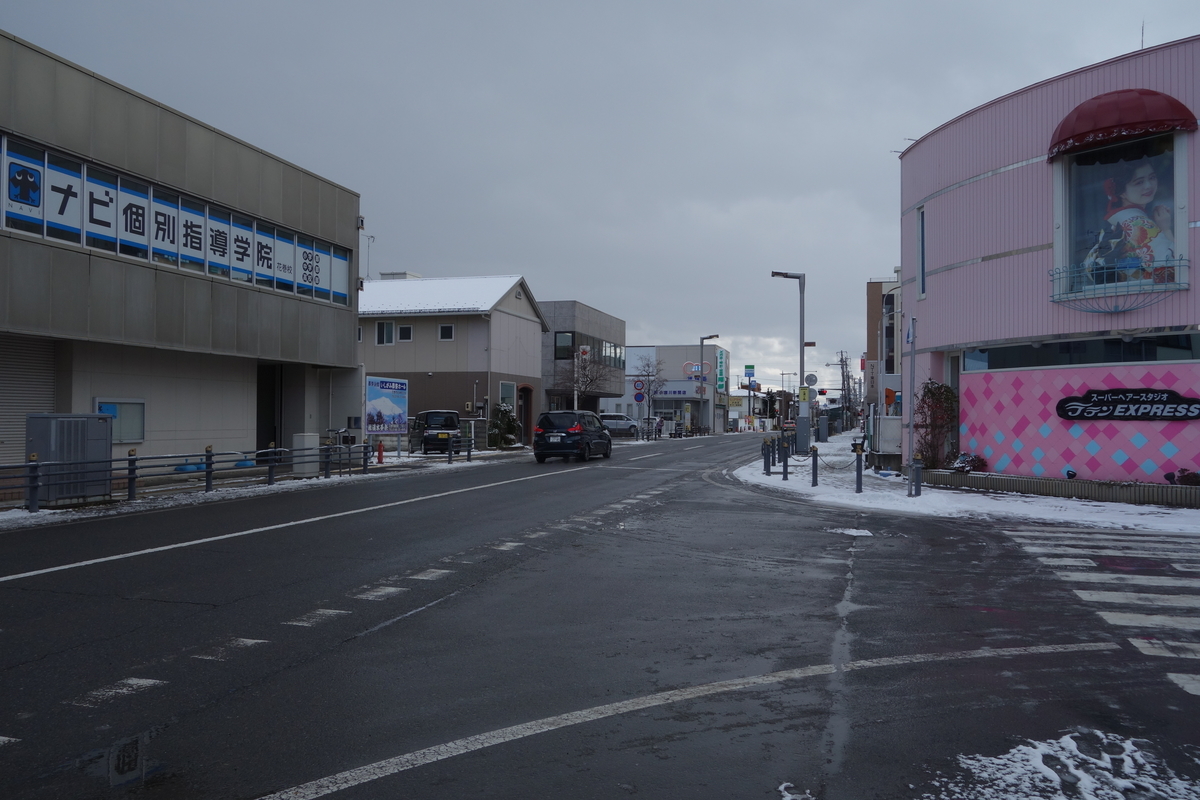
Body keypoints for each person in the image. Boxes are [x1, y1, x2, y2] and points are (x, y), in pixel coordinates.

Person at [1085, 160, 1176, 284]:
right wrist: (1166, 228)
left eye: (1152, 177)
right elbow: (1171, 269)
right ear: (1121, 191)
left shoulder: (1119, 223)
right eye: (1139, 182)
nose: (1149, 185)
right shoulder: (1139, 224)